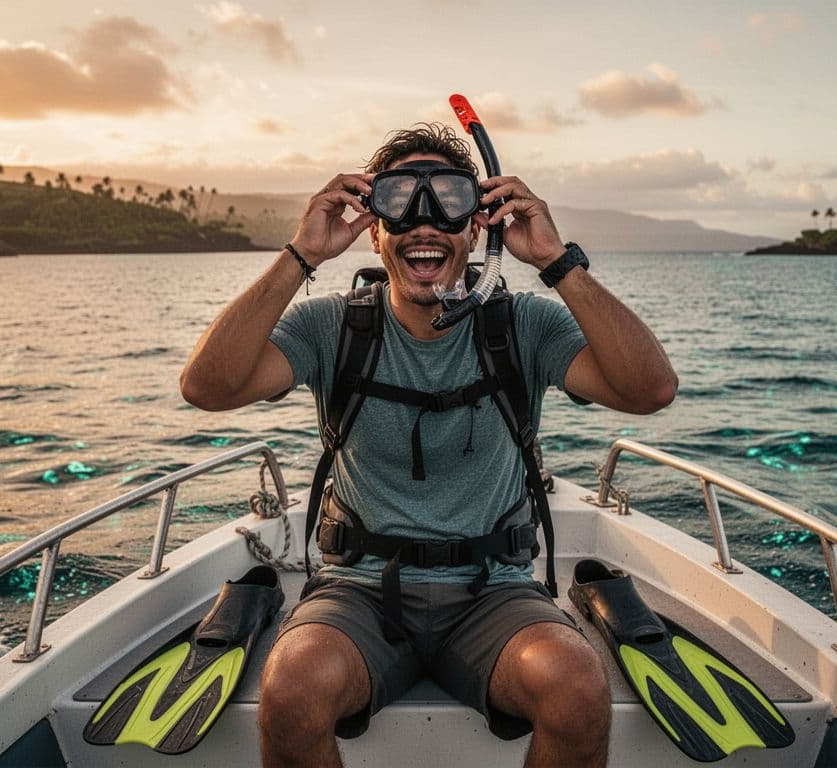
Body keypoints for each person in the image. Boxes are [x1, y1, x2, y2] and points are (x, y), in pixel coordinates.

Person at [180, 123, 677, 768]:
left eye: (447, 199)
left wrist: (557, 263)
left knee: (578, 688)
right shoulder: (333, 325)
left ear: (478, 227)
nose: (424, 223)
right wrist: (300, 255)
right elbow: (206, 387)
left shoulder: (522, 324)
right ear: (373, 228)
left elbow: (651, 391)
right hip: (359, 591)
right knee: (290, 688)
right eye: (397, 201)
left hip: (492, 590)